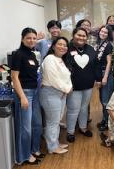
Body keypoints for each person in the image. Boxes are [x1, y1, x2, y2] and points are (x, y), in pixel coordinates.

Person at [11, 27, 43, 165]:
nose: (32, 40)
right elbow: (14, 77)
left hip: (35, 92)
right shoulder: (18, 54)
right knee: (25, 128)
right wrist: (22, 97)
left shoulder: (32, 53)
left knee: (37, 124)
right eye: (29, 38)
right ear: (22, 38)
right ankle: (24, 156)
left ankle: (34, 149)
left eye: (34, 38)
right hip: (25, 93)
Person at [65, 27, 102, 142]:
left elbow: (96, 65)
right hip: (73, 86)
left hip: (88, 85)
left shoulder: (90, 49)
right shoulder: (66, 48)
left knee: (84, 108)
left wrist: (98, 79)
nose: (81, 38)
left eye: (84, 36)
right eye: (79, 35)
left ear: (87, 37)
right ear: (73, 35)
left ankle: (83, 128)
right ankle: (70, 131)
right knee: (73, 109)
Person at [39, 37, 72, 154]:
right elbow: (53, 79)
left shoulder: (61, 60)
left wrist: (66, 90)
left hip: (61, 93)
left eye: (65, 45)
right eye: (60, 44)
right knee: (52, 121)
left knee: (56, 120)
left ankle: (55, 142)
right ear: (53, 46)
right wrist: (67, 89)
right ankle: (52, 147)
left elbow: (66, 77)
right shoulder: (49, 59)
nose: (63, 47)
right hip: (50, 93)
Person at [95, 25, 114, 131]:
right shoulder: (98, 44)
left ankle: (108, 122)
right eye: (102, 31)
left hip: (105, 74)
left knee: (106, 100)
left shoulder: (108, 45)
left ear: (108, 35)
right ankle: (104, 118)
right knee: (102, 99)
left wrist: (105, 77)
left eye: (105, 32)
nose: (103, 33)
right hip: (99, 74)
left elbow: (109, 62)